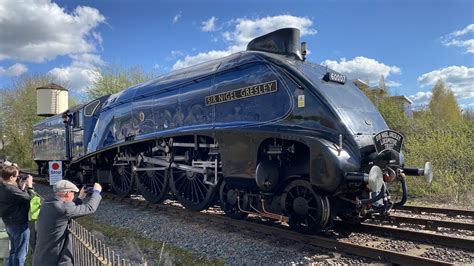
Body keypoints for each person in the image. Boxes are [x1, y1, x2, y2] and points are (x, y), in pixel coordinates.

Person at [32, 180, 102, 266]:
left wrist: (80, 198)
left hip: (41, 257)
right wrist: (96, 192)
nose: (73, 195)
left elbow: (67, 210)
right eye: (73, 193)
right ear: (68, 194)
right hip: (52, 259)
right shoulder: (63, 209)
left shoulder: (49, 203)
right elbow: (90, 208)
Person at [0, 165, 34, 266]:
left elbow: (17, 199)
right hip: (19, 224)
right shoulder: (10, 189)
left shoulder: (2, 187)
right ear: (11, 178)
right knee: (21, 252)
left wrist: (22, 188)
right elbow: (29, 198)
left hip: (9, 223)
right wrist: (30, 186)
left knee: (13, 251)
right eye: (16, 177)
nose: (17, 178)